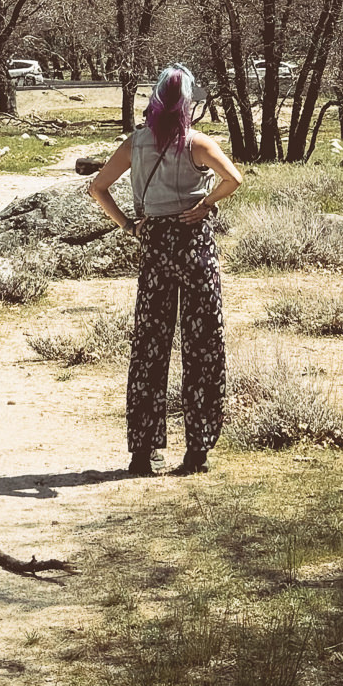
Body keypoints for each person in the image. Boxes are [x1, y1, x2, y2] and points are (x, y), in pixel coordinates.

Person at [86, 65, 242, 477]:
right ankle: (198, 450)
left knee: (150, 346)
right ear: (189, 102)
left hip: (154, 245)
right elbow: (234, 179)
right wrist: (206, 204)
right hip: (194, 248)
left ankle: (143, 452)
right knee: (203, 344)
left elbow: (97, 188)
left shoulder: (135, 143)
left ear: (154, 99)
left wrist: (128, 225)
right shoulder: (197, 143)